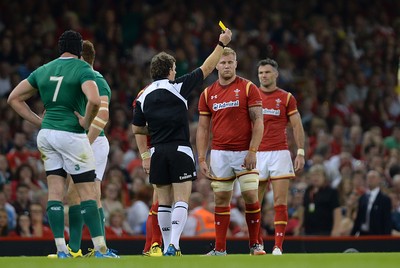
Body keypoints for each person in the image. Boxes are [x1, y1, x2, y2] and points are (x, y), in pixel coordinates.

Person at [7, 30, 111, 258]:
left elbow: (13, 98)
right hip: (71, 134)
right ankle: (101, 249)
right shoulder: (83, 68)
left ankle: (61, 250)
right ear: (78, 50)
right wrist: (85, 121)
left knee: (55, 191)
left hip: (46, 136)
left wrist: (38, 121)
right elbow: (94, 100)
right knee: (88, 192)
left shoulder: (44, 69)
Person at [132, 27, 232, 256]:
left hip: (156, 151)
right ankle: (174, 244)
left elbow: (137, 128)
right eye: (175, 69)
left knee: (163, 202)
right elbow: (207, 68)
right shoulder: (177, 86)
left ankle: (169, 245)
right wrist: (222, 44)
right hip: (179, 149)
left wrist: (146, 153)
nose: (176, 72)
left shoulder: (142, 96)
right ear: (169, 70)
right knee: (181, 199)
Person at [196, 47, 265, 256]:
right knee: (221, 199)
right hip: (219, 154)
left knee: (251, 195)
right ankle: (220, 249)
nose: (226, 66)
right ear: (216, 65)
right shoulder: (208, 93)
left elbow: (259, 121)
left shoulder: (248, 88)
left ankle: (255, 245)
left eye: (230, 62)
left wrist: (253, 150)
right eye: (223, 63)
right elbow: (203, 128)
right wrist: (201, 157)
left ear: (236, 64)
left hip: (245, 152)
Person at [65, 40, 119, 258]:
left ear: (80, 58)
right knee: (72, 194)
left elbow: (103, 116)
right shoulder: (81, 80)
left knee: (92, 194)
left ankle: (100, 249)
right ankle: (75, 249)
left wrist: (85, 143)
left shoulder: (97, 80)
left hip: (94, 141)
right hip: (82, 140)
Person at [255, 58, 305, 255]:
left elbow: (296, 125)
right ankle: (257, 244)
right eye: (261, 73)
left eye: (267, 72)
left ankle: (278, 246)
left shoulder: (286, 98)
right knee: (253, 203)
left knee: (280, 201)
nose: (264, 76)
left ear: (276, 74)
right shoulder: (252, 95)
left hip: (280, 152)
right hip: (257, 153)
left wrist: (300, 151)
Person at [132, 89, 163, 257]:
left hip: (166, 147)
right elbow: (139, 127)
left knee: (163, 198)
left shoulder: (173, 88)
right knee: (161, 197)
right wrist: (145, 156)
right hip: (156, 149)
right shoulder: (146, 93)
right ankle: (153, 245)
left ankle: (150, 246)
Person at [351, 170, 392, 235]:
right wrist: (352, 236)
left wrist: (386, 239)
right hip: (363, 235)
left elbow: (387, 221)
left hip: (378, 236)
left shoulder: (385, 200)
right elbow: (358, 219)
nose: (370, 179)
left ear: (379, 180)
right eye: (368, 177)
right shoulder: (362, 198)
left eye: (373, 177)